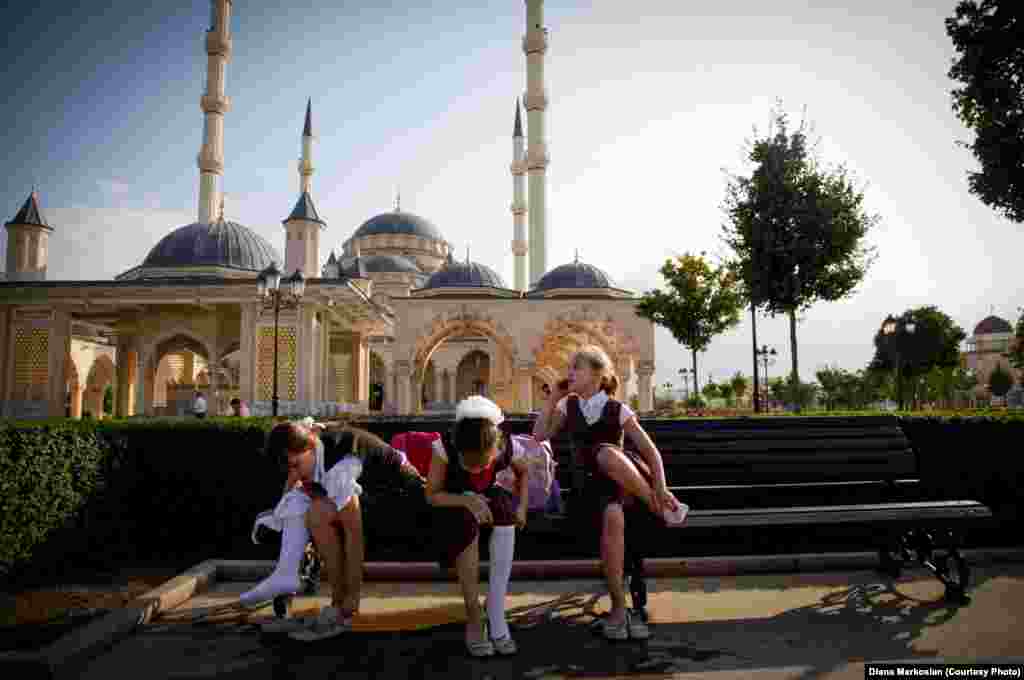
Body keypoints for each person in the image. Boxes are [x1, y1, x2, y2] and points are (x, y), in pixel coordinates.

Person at [532, 345, 685, 641]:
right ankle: (657, 509)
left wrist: (661, 485)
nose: (570, 373)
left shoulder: (617, 408)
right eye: (571, 367)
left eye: (577, 368)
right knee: (607, 484)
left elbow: (650, 452)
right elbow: (539, 435)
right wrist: (553, 398)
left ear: (598, 376)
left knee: (608, 470)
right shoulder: (568, 406)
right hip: (586, 490)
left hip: (619, 487)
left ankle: (618, 609)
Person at [241, 419, 423, 641]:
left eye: (296, 465)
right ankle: (291, 580)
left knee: (317, 512)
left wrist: (351, 599)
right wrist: (281, 509)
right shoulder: (310, 450)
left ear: (309, 447)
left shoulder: (342, 465)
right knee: (304, 505)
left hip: (403, 496)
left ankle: (340, 606)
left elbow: (354, 534)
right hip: (373, 491)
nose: (294, 473)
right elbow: (295, 484)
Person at [425, 396, 529, 657]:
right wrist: (466, 500)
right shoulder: (444, 447)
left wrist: (522, 506)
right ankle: (474, 613)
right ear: (458, 450)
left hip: (487, 495)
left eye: (483, 464)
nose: (476, 469)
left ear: (495, 451)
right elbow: (432, 494)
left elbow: (524, 472)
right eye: (469, 465)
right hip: (452, 501)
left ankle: (496, 612)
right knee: (465, 521)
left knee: (505, 513)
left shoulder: (505, 445)